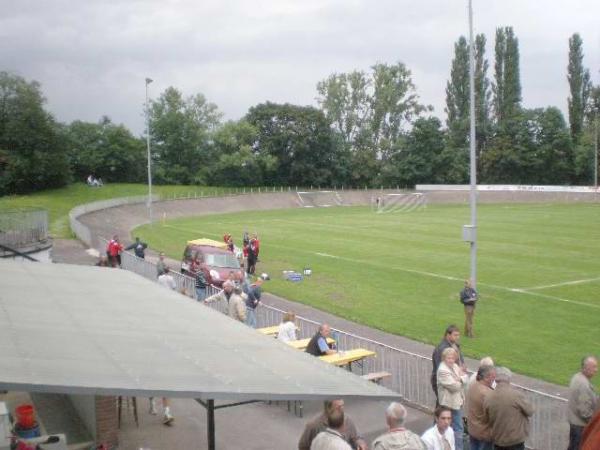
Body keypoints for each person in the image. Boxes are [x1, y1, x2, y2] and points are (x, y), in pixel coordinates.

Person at [484, 367, 533, 450]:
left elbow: (486, 417)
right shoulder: (515, 395)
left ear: (496, 379)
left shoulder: (488, 397)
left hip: (498, 440)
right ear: (508, 379)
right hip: (515, 441)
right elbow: (530, 411)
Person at [298, 399, 367, 450]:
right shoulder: (313, 425)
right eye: (338, 407)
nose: (342, 409)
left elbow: (356, 437)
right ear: (328, 408)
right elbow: (302, 447)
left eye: (343, 406)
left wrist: (360, 443)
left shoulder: (347, 420)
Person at [437, 348, 468, 450]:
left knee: (455, 428)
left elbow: (466, 377)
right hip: (449, 404)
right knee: (456, 428)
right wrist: (461, 380)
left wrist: (459, 378)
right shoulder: (442, 370)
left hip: (456, 402)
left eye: (453, 358)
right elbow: (454, 387)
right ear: (444, 358)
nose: (451, 360)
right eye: (448, 358)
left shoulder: (454, 366)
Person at [567, 356, 598, 450]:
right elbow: (585, 412)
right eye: (594, 367)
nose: (596, 370)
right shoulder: (583, 385)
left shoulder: (577, 377)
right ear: (585, 368)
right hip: (580, 427)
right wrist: (594, 423)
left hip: (575, 425)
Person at [466, 365, 496, 450]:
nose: (494, 379)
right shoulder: (487, 394)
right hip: (484, 434)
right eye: (493, 377)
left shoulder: (473, 385)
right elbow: (494, 415)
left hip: (472, 430)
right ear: (486, 378)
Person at [431, 325, 465, 403]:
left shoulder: (455, 345)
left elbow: (460, 359)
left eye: (458, 335)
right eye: (455, 335)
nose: (458, 337)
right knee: (445, 404)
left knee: (445, 404)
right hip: (444, 380)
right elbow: (440, 367)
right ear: (448, 335)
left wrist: (462, 366)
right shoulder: (441, 349)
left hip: (453, 378)